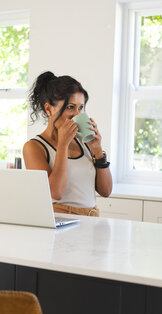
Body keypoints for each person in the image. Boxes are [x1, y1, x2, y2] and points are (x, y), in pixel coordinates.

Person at [22, 71, 112, 216]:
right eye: (70, 107)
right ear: (48, 109)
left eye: (80, 108)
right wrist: (63, 145)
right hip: (60, 221)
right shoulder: (34, 147)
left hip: (91, 220)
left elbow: (106, 191)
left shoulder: (84, 143)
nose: (77, 115)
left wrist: (98, 150)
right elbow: (55, 193)